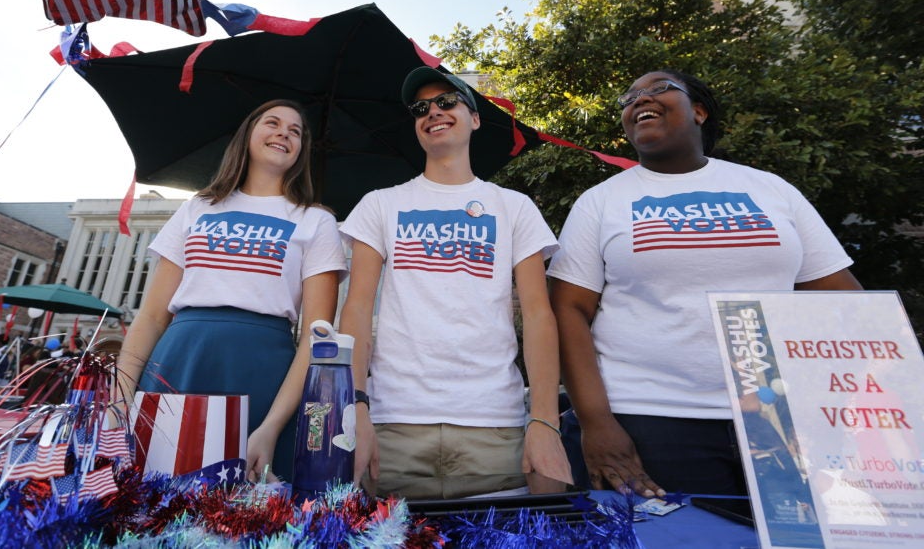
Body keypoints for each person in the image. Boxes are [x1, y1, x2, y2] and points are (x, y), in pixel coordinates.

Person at [548, 69, 861, 498]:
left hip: (782, 421)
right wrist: (596, 423)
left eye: (658, 89)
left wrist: (854, 405)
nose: (639, 100)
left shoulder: (772, 190)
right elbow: (567, 310)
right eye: (629, 97)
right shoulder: (601, 201)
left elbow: (843, 301)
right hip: (649, 419)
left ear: (698, 111)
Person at [339, 66, 572, 499]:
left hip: (494, 427)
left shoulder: (514, 207)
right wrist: (356, 409)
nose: (433, 112)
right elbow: (355, 309)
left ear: (475, 118)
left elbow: (540, 315)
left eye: (447, 101)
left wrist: (545, 422)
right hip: (393, 426)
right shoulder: (380, 204)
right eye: (421, 107)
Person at [117, 99, 347, 482]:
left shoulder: (316, 220)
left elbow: (316, 335)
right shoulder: (197, 208)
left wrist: (273, 425)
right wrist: (119, 398)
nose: (283, 134)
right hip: (179, 359)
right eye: (272, 123)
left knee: (247, 508)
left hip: (264, 369)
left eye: (295, 132)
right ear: (248, 135)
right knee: (153, 495)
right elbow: (153, 315)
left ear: (302, 150)